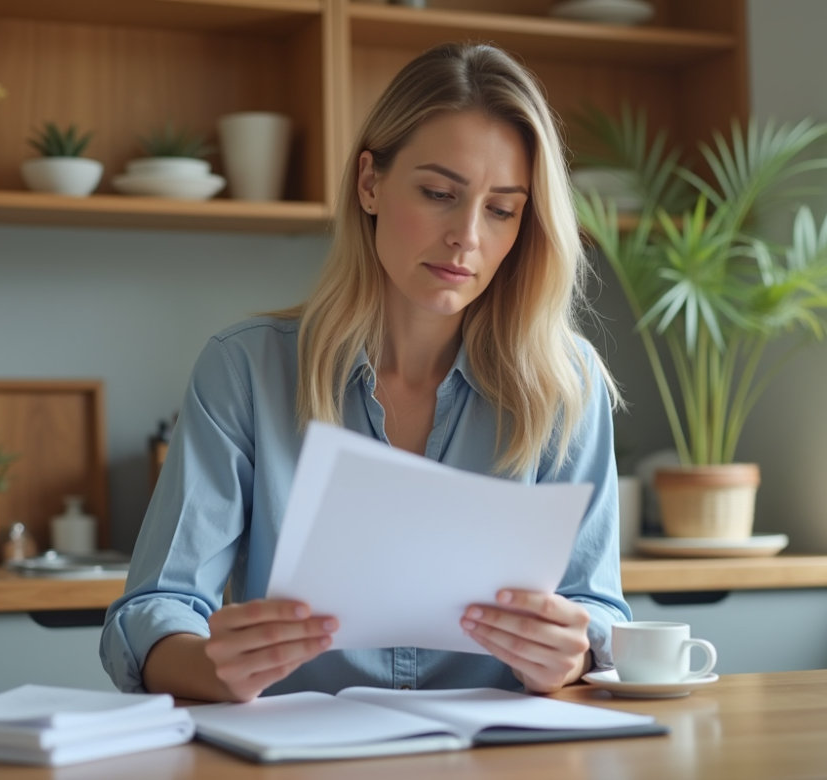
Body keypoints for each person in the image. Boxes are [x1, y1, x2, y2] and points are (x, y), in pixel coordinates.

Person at [100, 42, 629, 703]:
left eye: (501, 209)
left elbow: (597, 608)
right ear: (370, 183)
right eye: (439, 193)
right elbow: (155, 608)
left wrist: (571, 653)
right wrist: (211, 665)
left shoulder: (564, 384)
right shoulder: (245, 370)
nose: (467, 235)